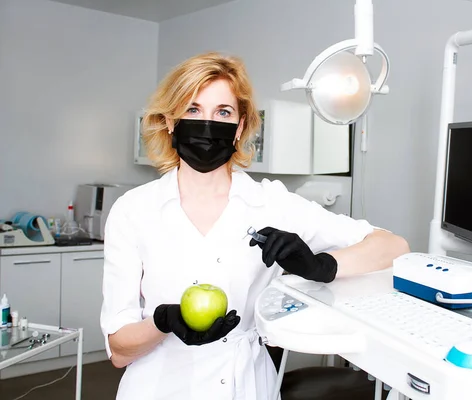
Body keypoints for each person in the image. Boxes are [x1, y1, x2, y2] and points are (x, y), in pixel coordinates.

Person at [100, 52, 410, 400]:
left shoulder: (271, 203)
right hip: (158, 387)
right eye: (193, 109)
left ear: (241, 127)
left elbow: (393, 246)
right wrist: (162, 322)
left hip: (246, 386)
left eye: (223, 112)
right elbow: (119, 349)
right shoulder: (134, 210)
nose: (207, 123)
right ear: (170, 121)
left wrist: (320, 266)